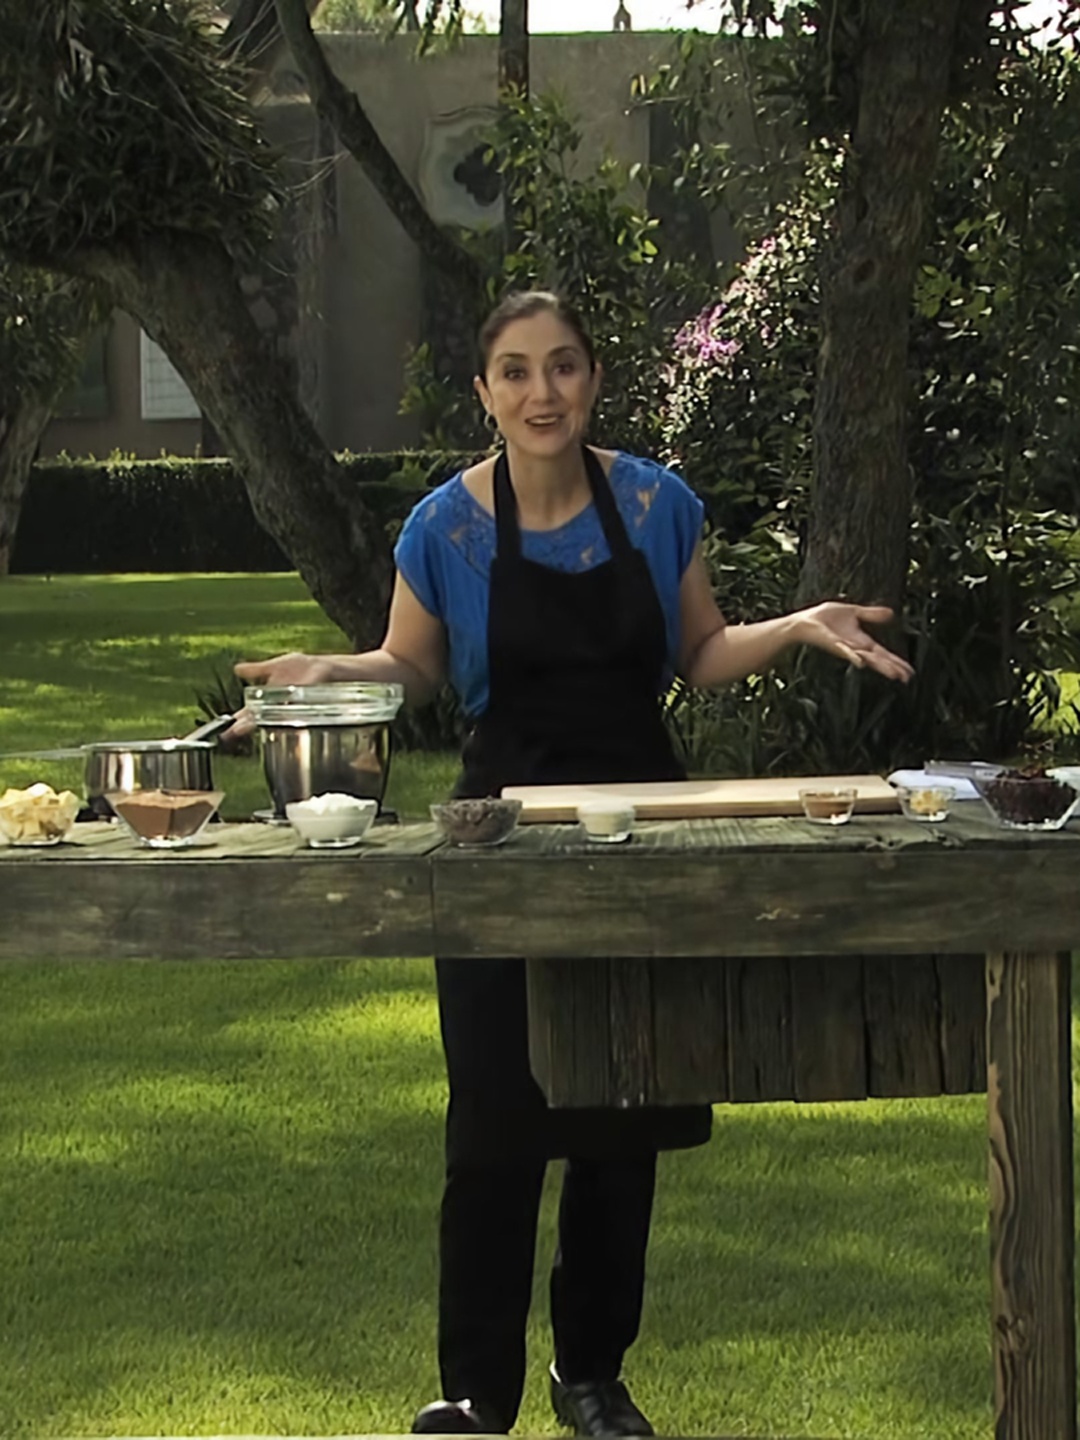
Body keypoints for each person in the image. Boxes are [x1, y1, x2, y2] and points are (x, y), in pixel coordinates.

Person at [234, 290, 913, 1437]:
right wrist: (333, 668)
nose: (540, 391)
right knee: (492, 1122)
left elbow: (700, 651)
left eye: (561, 367)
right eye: (515, 370)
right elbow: (414, 668)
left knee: (620, 1115)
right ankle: (475, 1393)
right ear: (485, 393)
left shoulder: (654, 505)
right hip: (497, 841)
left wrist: (798, 626)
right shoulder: (442, 529)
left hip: (636, 832)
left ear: (592, 380)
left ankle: (590, 1375)